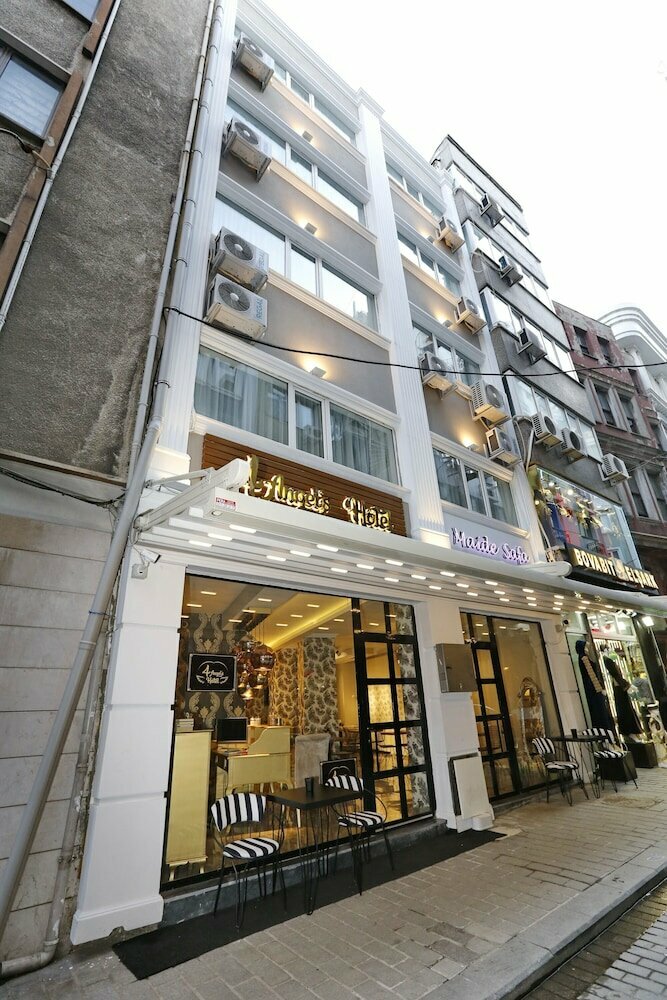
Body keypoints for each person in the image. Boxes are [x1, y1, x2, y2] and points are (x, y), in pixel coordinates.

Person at [600, 645, 643, 738]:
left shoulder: (608, 660)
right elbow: (616, 675)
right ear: (605, 650)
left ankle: (630, 732)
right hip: (619, 688)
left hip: (619, 687)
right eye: (608, 649)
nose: (610, 650)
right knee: (625, 709)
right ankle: (629, 731)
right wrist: (627, 685)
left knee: (625, 708)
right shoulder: (608, 661)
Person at [575, 638, 614, 731]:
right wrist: (600, 688)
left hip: (592, 688)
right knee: (600, 710)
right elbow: (592, 675)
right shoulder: (584, 658)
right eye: (586, 647)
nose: (587, 649)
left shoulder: (583, 658)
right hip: (594, 689)